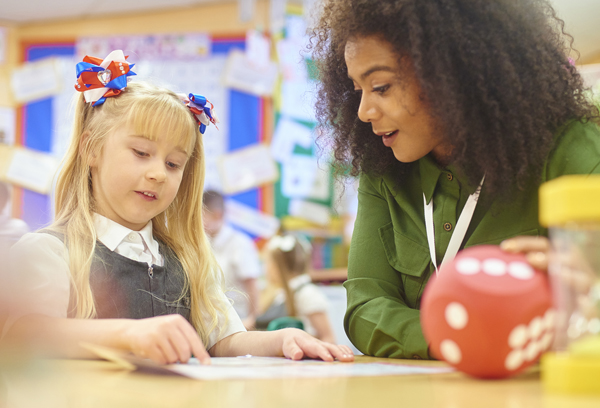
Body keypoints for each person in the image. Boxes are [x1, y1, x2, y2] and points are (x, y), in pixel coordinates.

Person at [3, 50, 354, 365]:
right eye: (141, 153)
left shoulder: (187, 260)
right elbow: (21, 333)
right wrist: (127, 336)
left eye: (173, 164)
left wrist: (279, 340)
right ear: (91, 149)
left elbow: (223, 341)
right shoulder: (50, 252)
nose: (157, 173)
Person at [309, 0, 600, 359]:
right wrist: (460, 337)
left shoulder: (571, 150)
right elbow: (365, 308)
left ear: (454, 73)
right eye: (358, 90)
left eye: (381, 87)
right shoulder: (382, 167)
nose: (364, 111)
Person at [260, 234, 335, 343]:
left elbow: (329, 338)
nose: (265, 268)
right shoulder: (278, 294)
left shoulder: (307, 293)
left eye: (267, 262)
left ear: (278, 266)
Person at [202, 190, 261, 330]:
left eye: (202, 216)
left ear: (218, 215)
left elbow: (252, 285)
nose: (197, 222)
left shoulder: (239, 243)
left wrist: (254, 320)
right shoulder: (204, 242)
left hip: (239, 320)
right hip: (212, 321)